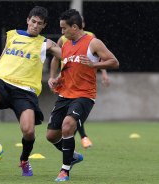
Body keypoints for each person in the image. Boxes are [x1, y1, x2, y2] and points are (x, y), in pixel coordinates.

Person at [0, 6, 61, 177]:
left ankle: (24, 160)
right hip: (3, 82)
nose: (35, 25)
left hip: (25, 92)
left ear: (44, 25)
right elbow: (3, 57)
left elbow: (65, 55)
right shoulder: (13, 35)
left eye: (39, 23)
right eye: (33, 21)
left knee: (29, 131)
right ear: (28, 20)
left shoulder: (45, 43)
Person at [46, 9, 119, 182]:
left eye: (64, 28)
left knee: (67, 125)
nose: (62, 32)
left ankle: (64, 170)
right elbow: (68, 67)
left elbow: (114, 62)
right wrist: (56, 79)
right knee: (51, 136)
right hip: (65, 93)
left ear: (75, 27)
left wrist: (94, 65)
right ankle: (72, 156)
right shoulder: (65, 43)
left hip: (85, 95)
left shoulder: (93, 42)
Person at [49, 16, 110, 149]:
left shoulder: (91, 38)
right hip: (66, 85)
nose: (62, 30)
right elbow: (58, 58)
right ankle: (74, 147)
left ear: (78, 25)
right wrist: (54, 77)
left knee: (71, 119)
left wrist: (103, 72)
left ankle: (82, 138)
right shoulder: (63, 39)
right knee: (56, 130)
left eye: (64, 27)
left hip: (83, 88)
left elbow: (100, 58)